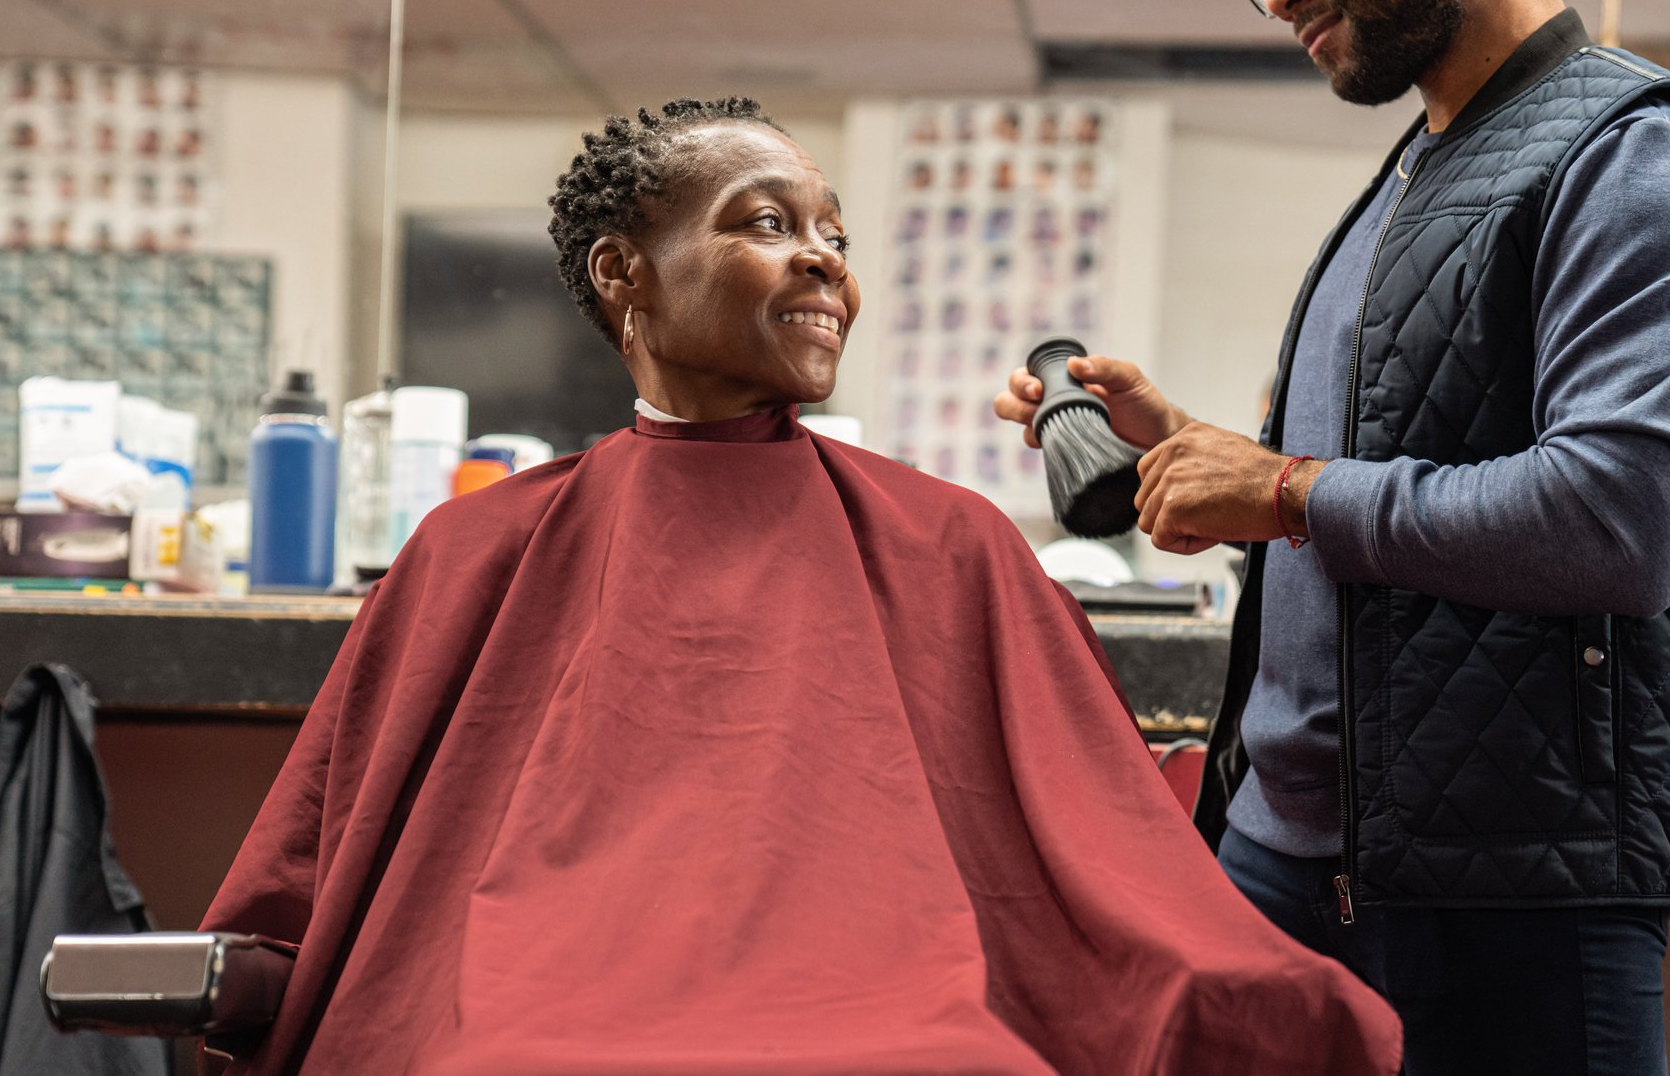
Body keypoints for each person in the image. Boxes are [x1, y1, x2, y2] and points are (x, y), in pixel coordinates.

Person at [203, 98, 1400, 1075]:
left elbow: (1092, 856)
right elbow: (306, 883)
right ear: (623, 273)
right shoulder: (475, 550)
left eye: (834, 233)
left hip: (910, 1013)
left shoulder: (951, 542)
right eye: (767, 222)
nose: (824, 256)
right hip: (524, 1014)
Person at [996, 0, 1670, 1076]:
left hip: (1510, 891)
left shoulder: (1639, 159)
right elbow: (1387, 482)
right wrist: (1195, 452)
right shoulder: (1420, 170)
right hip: (1289, 852)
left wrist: (1281, 489)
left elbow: (1623, 520)